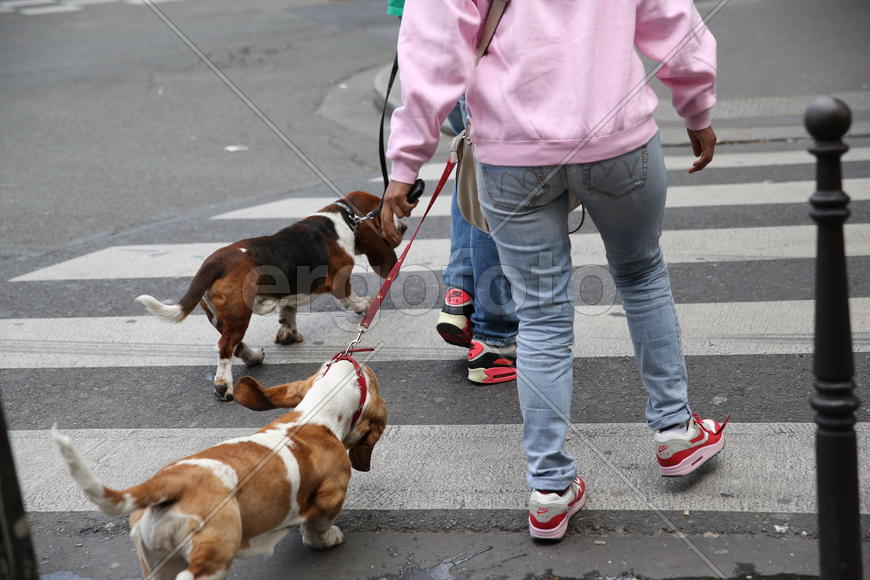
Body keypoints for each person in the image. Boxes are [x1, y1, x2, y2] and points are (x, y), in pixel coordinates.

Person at [381, 0, 727, 541]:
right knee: (641, 275)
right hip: (617, 138)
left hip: (513, 151)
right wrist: (697, 109)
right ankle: (677, 432)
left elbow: (433, 50)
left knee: (541, 317)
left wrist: (405, 165)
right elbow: (672, 21)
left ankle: (549, 490)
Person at [387, 0, 520, 385]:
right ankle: (495, 337)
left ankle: (461, 290)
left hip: (442, 29)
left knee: (474, 167)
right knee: (493, 179)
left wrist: (405, 163)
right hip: (493, 46)